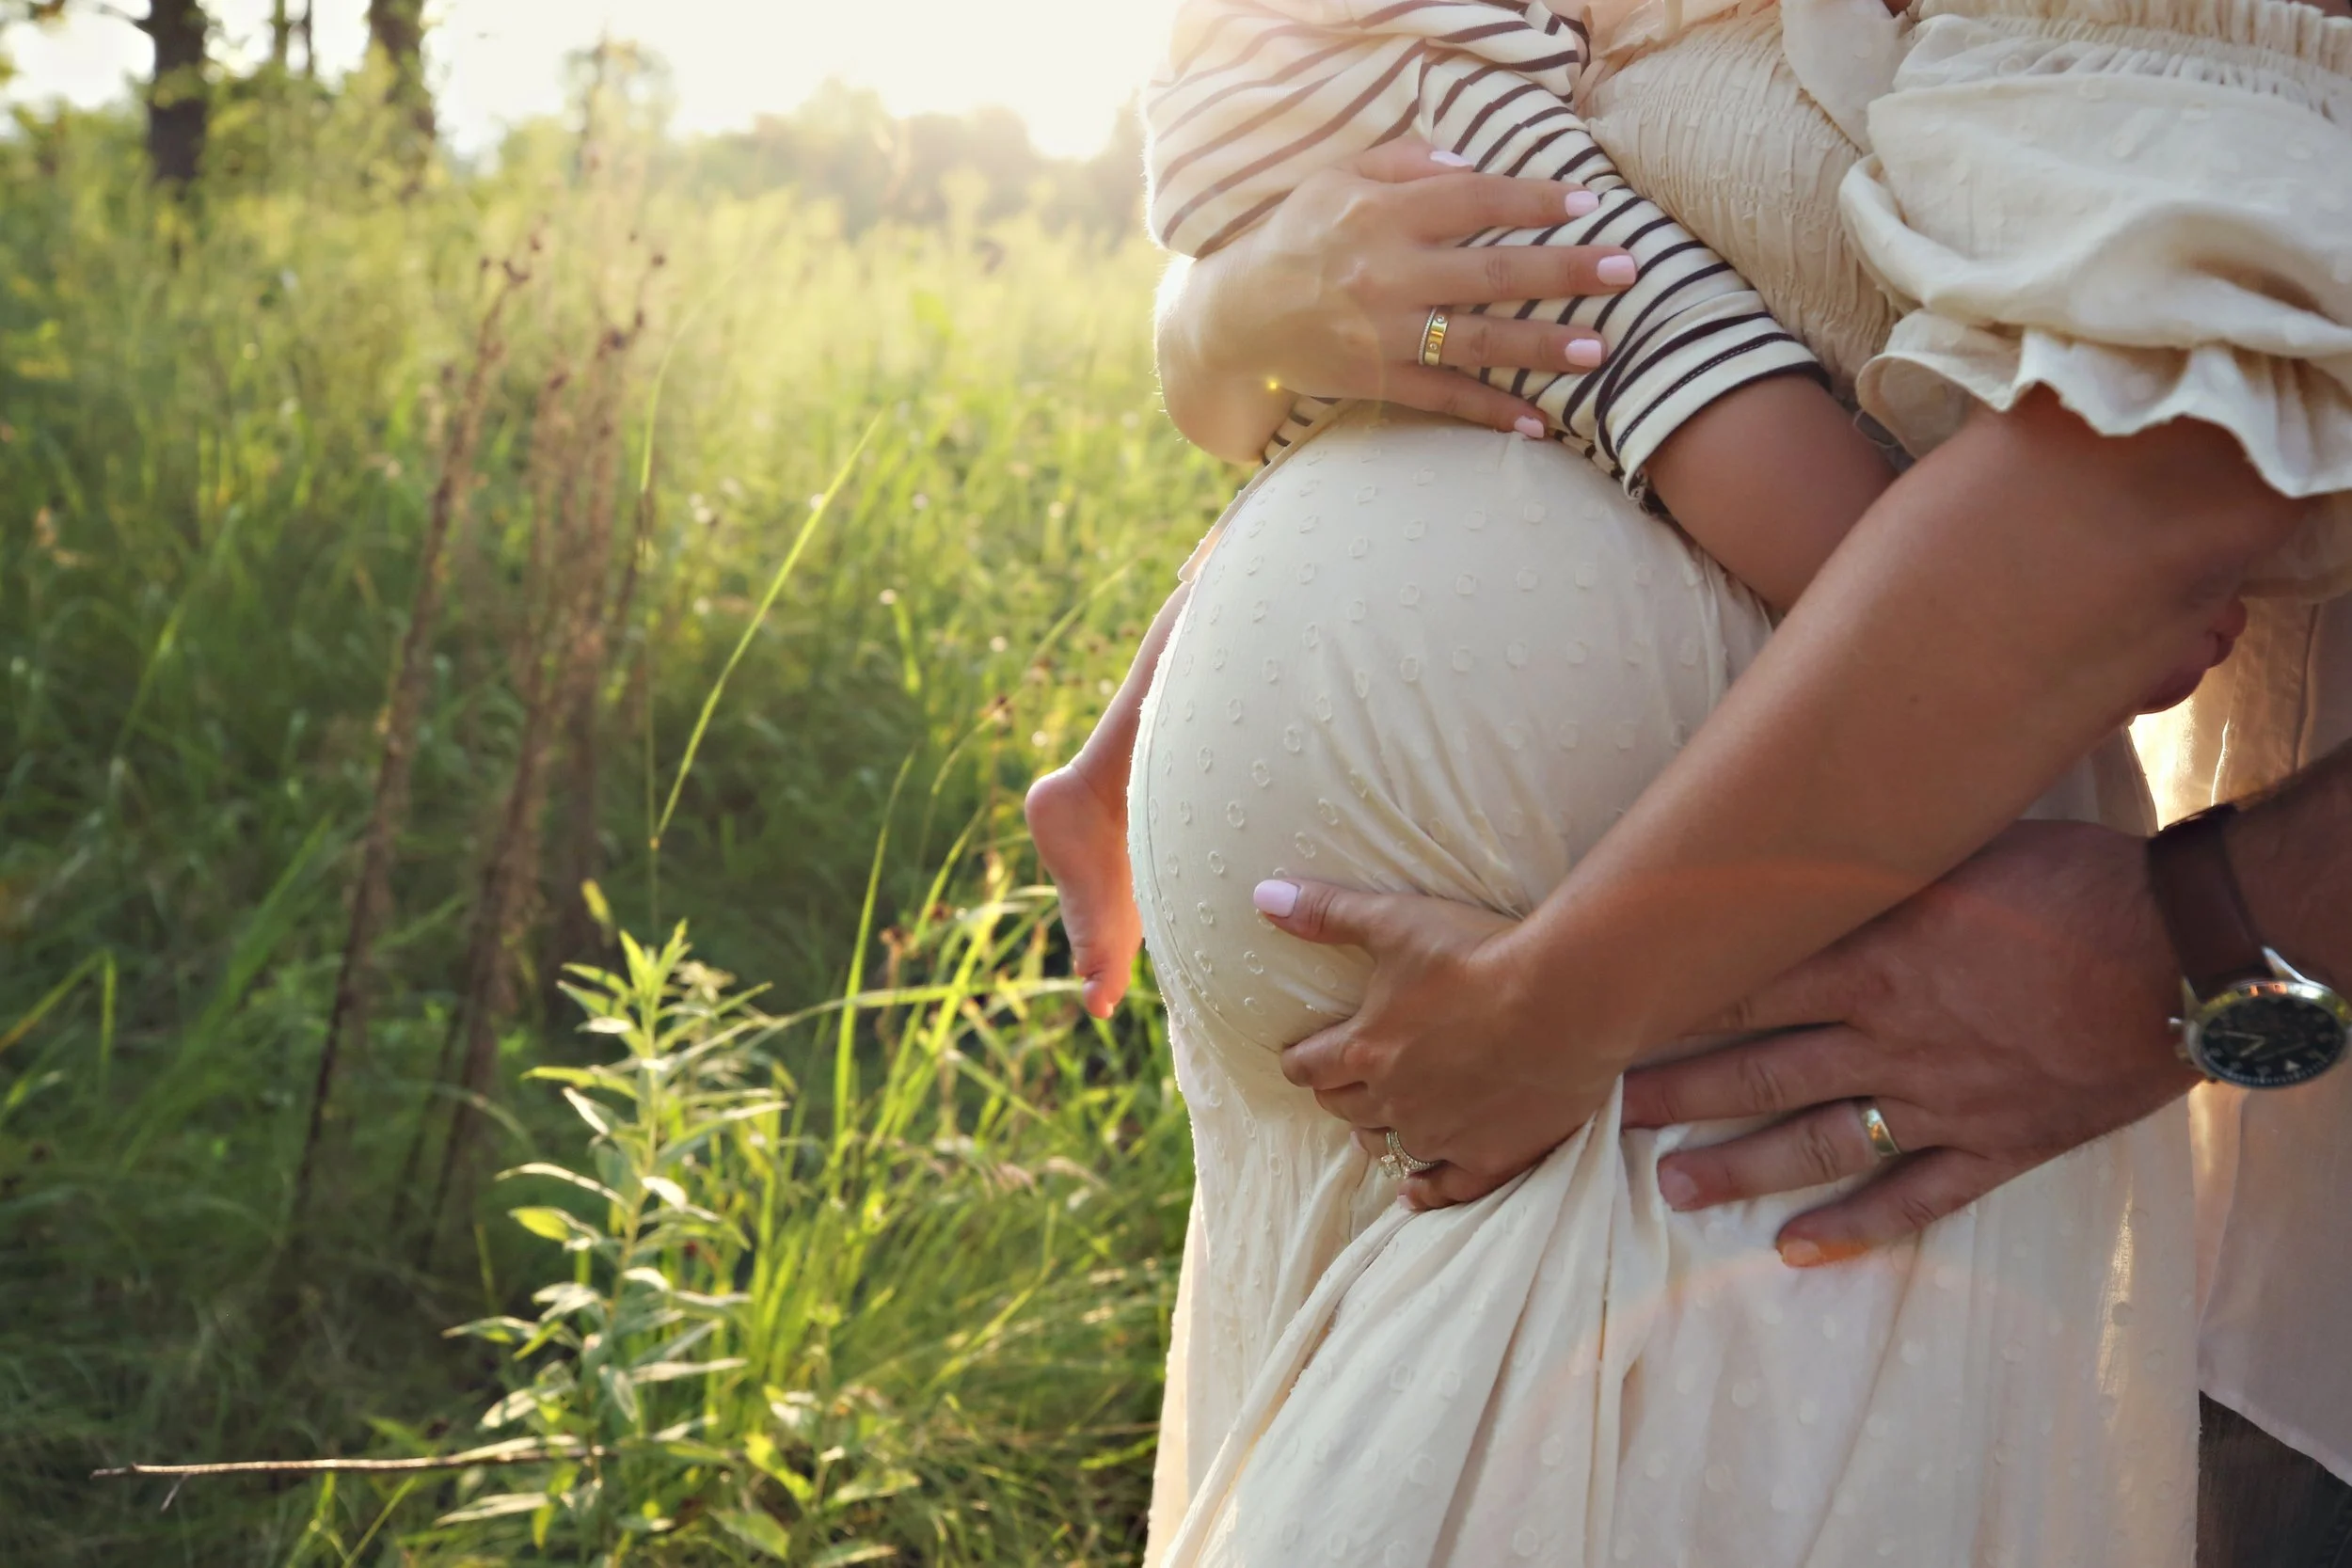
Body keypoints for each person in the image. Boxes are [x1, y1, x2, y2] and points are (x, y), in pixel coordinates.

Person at [1111, 0, 2349, 1562]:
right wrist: (1215, 341)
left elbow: (2155, 471)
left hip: (1702, 1046)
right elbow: (1477, 258)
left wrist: (1562, 1005)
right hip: (1474, 1086)